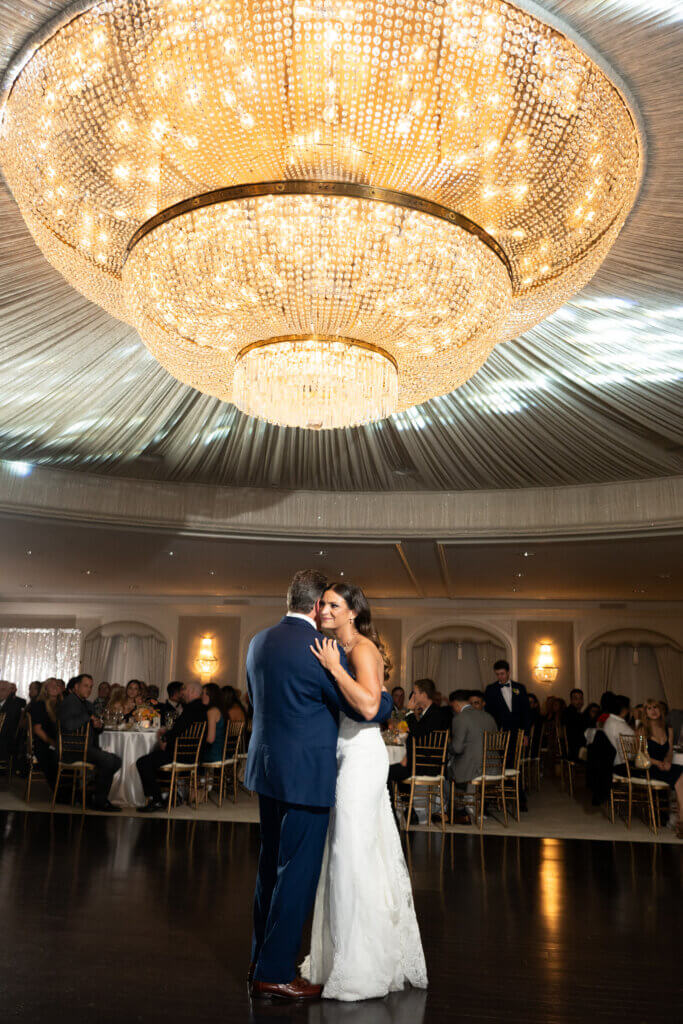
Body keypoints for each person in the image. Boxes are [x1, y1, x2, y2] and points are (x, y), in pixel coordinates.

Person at [245, 569, 397, 1003]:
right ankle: (275, 973)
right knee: (297, 873)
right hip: (306, 774)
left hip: (267, 770)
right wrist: (385, 696)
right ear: (316, 605)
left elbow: (256, 700)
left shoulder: (259, 641)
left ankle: (259, 960)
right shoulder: (319, 648)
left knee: (269, 867)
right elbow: (367, 709)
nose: (328, 611)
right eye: (325, 604)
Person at [303, 581, 427, 1001]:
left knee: (350, 852)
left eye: (333, 605)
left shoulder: (361, 649)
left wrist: (335, 669)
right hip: (343, 751)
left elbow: (372, 706)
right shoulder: (338, 646)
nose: (324, 610)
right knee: (349, 850)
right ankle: (342, 954)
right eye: (323, 604)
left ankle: (360, 967)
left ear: (353, 612)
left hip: (361, 754)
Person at [136, 681, 207, 812]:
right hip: (194, 755)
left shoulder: (190, 709)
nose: (182, 693)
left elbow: (176, 731)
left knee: (143, 762)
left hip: (180, 756)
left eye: (185, 689)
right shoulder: (203, 708)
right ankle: (169, 794)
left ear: (192, 691)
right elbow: (181, 730)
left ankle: (156, 799)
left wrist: (163, 737)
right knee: (154, 757)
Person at [58, 674, 122, 811]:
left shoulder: (87, 704)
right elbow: (69, 725)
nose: (89, 689)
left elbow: (96, 727)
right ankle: (99, 801)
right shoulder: (69, 702)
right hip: (71, 749)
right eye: (85, 686)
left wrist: (98, 725)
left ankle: (93, 795)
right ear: (76, 687)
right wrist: (88, 717)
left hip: (86, 748)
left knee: (116, 761)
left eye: (91, 687)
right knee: (109, 761)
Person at [388, 677, 453, 803]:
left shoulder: (436, 714)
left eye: (415, 692)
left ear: (423, 694)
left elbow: (417, 734)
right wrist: (407, 714)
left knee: (391, 770)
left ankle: (406, 807)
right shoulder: (428, 712)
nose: (413, 696)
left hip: (428, 764)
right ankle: (407, 807)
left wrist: (409, 712)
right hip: (421, 761)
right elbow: (403, 728)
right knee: (394, 767)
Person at [484, 660, 532, 810]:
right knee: (497, 764)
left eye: (502, 674)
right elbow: (489, 714)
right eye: (497, 674)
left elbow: (526, 713)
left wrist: (526, 734)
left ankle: (520, 798)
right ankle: (496, 797)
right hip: (499, 734)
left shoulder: (520, 688)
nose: (500, 677)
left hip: (516, 733)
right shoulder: (491, 689)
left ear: (508, 672)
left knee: (515, 764)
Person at [447, 689, 498, 824]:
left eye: (453, 707)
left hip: (474, 769)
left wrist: (448, 746)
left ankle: (458, 809)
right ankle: (471, 804)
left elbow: (457, 748)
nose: (453, 710)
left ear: (456, 704)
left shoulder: (459, 718)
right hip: (493, 767)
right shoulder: (489, 717)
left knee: (446, 768)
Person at [638, 699, 683, 836]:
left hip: (665, 766)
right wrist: (658, 763)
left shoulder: (669, 729)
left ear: (661, 710)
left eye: (655, 707)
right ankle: (681, 823)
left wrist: (667, 761)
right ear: (645, 713)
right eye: (649, 708)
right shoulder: (642, 730)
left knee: (680, 776)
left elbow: (669, 751)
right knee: (679, 780)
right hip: (651, 768)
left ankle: (681, 821)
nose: (653, 710)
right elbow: (641, 754)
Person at [28, 678, 62, 789]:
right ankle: (60, 791)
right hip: (43, 744)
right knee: (55, 757)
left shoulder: (62, 705)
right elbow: (37, 730)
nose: (55, 686)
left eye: (57, 685)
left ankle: (72, 789)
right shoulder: (39, 704)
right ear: (45, 689)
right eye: (51, 685)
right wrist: (53, 743)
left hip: (59, 743)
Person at [603, 694, 635, 769]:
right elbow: (636, 746)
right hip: (624, 764)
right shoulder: (619, 725)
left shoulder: (610, 721)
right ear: (624, 709)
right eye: (629, 707)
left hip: (614, 762)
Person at [0, 680, 25, 765]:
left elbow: (9, 727)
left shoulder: (15, 706)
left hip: (6, 740)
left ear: (8, 692)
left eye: (3, 690)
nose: (0, 692)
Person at [201, 682, 226, 761]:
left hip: (214, 755)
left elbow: (210, 739)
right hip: (222, 752)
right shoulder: (221, 710)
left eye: (207, 694)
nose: (203, 696)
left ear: (213, 696)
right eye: (202, 693)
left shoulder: (212, 711)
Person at [562, 688, 587, 761]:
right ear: (571, 700)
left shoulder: (577, 714)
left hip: (573, 749)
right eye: (576, 699)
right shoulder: (569, 714)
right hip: (574, 751)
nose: (579, 701)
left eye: (581, 698)